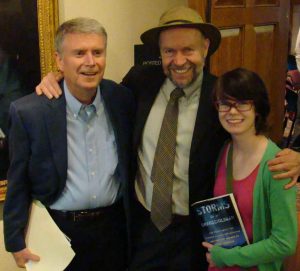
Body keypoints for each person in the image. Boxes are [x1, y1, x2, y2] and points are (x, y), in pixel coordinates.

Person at [35, 6, 300, 271]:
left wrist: (295, 156)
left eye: (188, 50)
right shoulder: (139, 82)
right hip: (143, 228)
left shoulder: (219, 96)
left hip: (195, 233)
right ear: (159, 52)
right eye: (169, 51)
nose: (179, 60)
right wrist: (59, 77)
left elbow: (252, 133)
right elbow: (94, 91)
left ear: (205, 47)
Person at [4, 17, 135, 271]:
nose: (90, 62)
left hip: (114, 233)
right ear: (59, 60)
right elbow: (18, 180)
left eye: (97, 52)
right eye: (79, 53)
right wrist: (15, 241)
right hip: (59, 235)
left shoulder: (122, 99)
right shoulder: (30, 112)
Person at [202, 68, 297, 271]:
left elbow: (284, 242)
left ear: (258, 109)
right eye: (225, 104)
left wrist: (226, 257)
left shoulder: (278, 165)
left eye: (243, 104)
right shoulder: (223, 151)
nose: (233, 112)